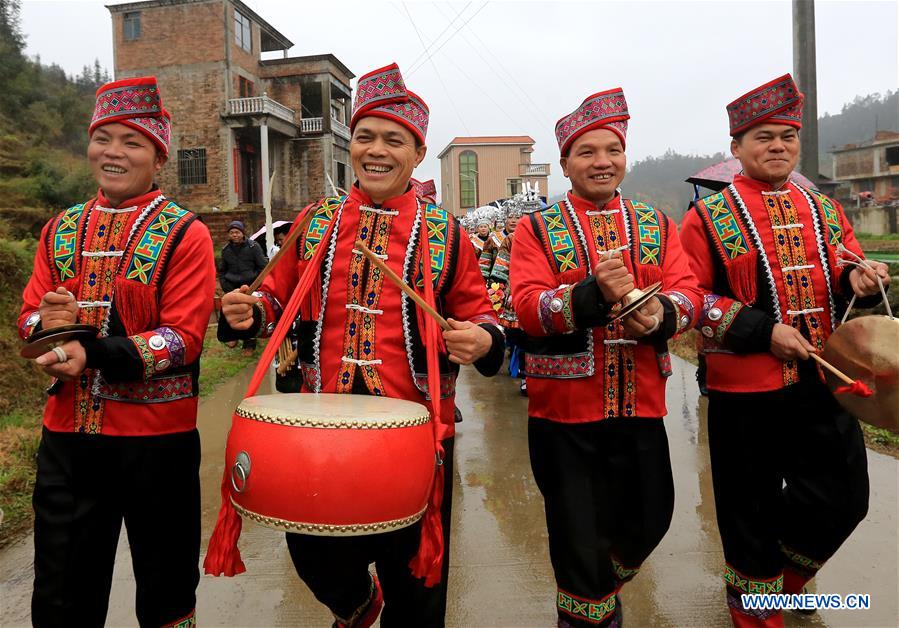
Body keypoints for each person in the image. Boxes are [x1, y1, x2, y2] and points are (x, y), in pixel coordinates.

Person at [209, 62, 505, 627]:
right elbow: (274, 296)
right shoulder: (316, 223)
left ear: (417, 153)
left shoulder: (447, 235)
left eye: (393, 139)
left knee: (415, 587)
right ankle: (356, 605)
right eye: (365, 136)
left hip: (413, 436)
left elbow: (480, 313)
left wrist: (479, 339)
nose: (376, 150)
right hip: (320, 434)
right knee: (315, 554)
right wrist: (248, 312)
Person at [679, 73, 890, 628]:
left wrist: (860, 278)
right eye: (763, 137)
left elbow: (844, 263)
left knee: (844, 498)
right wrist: (759, 329)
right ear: (737, 148)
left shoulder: (821, 207)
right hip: (746, 390)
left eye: (787, 137)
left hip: (825, 381)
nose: (777, 146)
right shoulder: (707, 218)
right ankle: (755, 606)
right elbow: (690, 297)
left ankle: (781, 588)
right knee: (748, 506)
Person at [18, 76, 215, 628]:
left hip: (158, 442)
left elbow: (182, 337)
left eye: (132, 142)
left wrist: (95, 353)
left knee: (166, 585)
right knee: (61, 589)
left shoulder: (186, 234)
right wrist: (49, 326)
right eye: (103, 137)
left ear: (158, 155)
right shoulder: (60, 230)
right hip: (68, 437)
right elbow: (29, 317)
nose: (113, 152)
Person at [510, 87, 703, 627]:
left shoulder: (655, 224)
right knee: (578, 540)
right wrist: (589, 296)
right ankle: (589, 609)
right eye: (586, 152)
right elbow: (525, 306)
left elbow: (689, 293)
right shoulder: (536, 228)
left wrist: (661, 314)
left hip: (641, 405)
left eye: (612, 150)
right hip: (563, 414)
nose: (602, 161)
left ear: (625, 157)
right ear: (566, 163)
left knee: (651, 518)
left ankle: (600, 590)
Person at [217, 219, 267, 353]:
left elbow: (263, 266)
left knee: (248, 314)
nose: (234, 235)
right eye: (232, 232)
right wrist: (225, 285)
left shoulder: (253, 247)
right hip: (232, 285)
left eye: (237, 232)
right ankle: (232, 336)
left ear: (243, 233)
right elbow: (222, 270)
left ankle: (249, 343)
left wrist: (256, 283)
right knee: (231, 311)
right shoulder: (226, 250)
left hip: (250, 285)